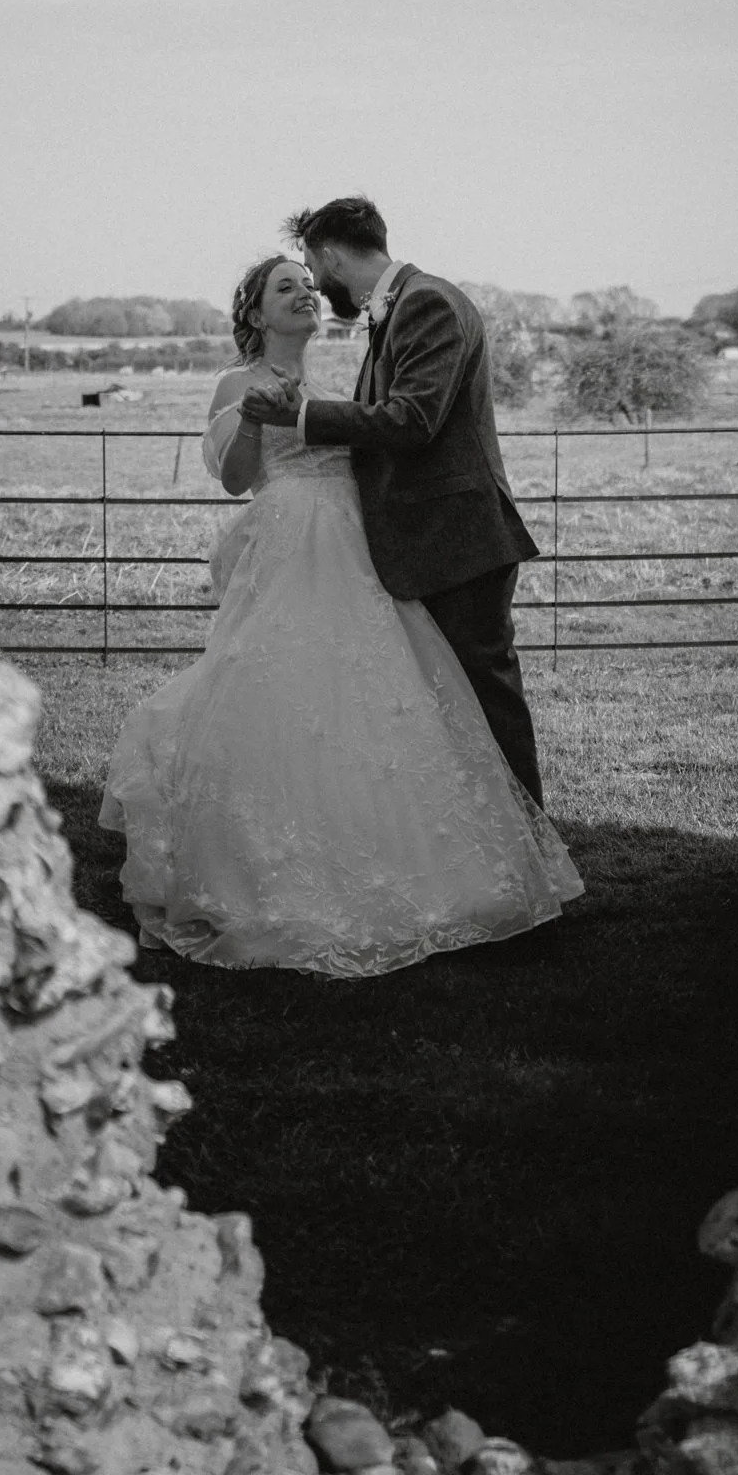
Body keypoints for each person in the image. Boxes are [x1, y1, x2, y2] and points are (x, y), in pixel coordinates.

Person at [98, 249, 581, 977]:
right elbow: (235, 480)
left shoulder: (352, 373)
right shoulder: (236, 381)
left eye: (305, 285)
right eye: (284, 288)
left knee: (386, 688)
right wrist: (260, 420)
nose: (304, 295)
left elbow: (384, 436)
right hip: (289, 535)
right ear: (256, 312)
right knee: (280, 678)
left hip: (360, 537)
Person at [244, 196, 544, 805]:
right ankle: (494, 842)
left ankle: (531, 848)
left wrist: (301, 418)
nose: (316, 285)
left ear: (328, 255)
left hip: (457, 540)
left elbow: (413, 419)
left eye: (311, 265)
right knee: (456, 704)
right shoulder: (402, 306)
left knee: (485, 701)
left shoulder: (425, 302)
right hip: (435, 541)